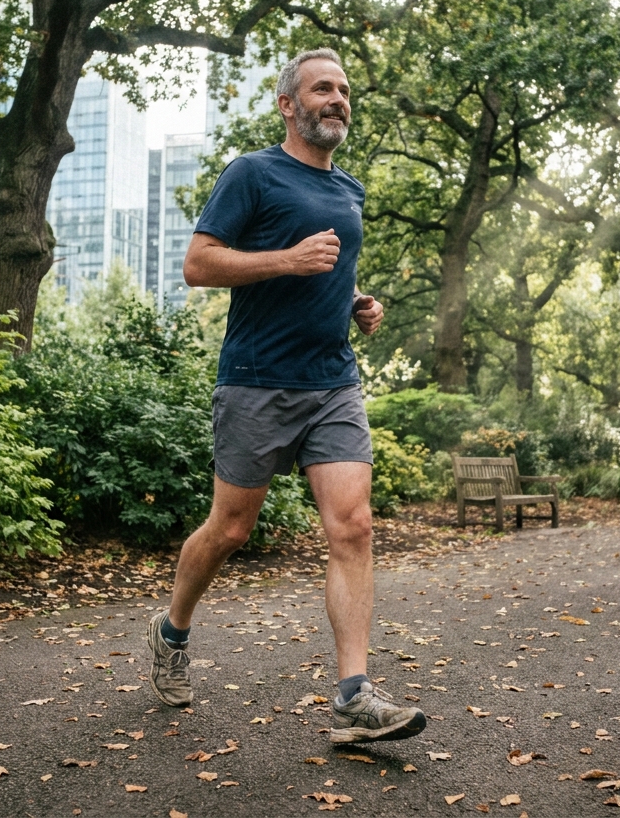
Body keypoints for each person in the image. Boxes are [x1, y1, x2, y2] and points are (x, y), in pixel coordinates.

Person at [145, 48, 426, 745]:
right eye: (322, 89)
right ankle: (172, 631)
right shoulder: (251, 173)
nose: (337, 99)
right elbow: (197, 263)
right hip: (256, 379)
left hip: (332, 380)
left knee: (353, 526)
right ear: (288, 105)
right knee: (230, 530)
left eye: (344, 90)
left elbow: (333, 271)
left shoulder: (350, 189)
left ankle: (354, 699)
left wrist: (356, 302)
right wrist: (285, 260)